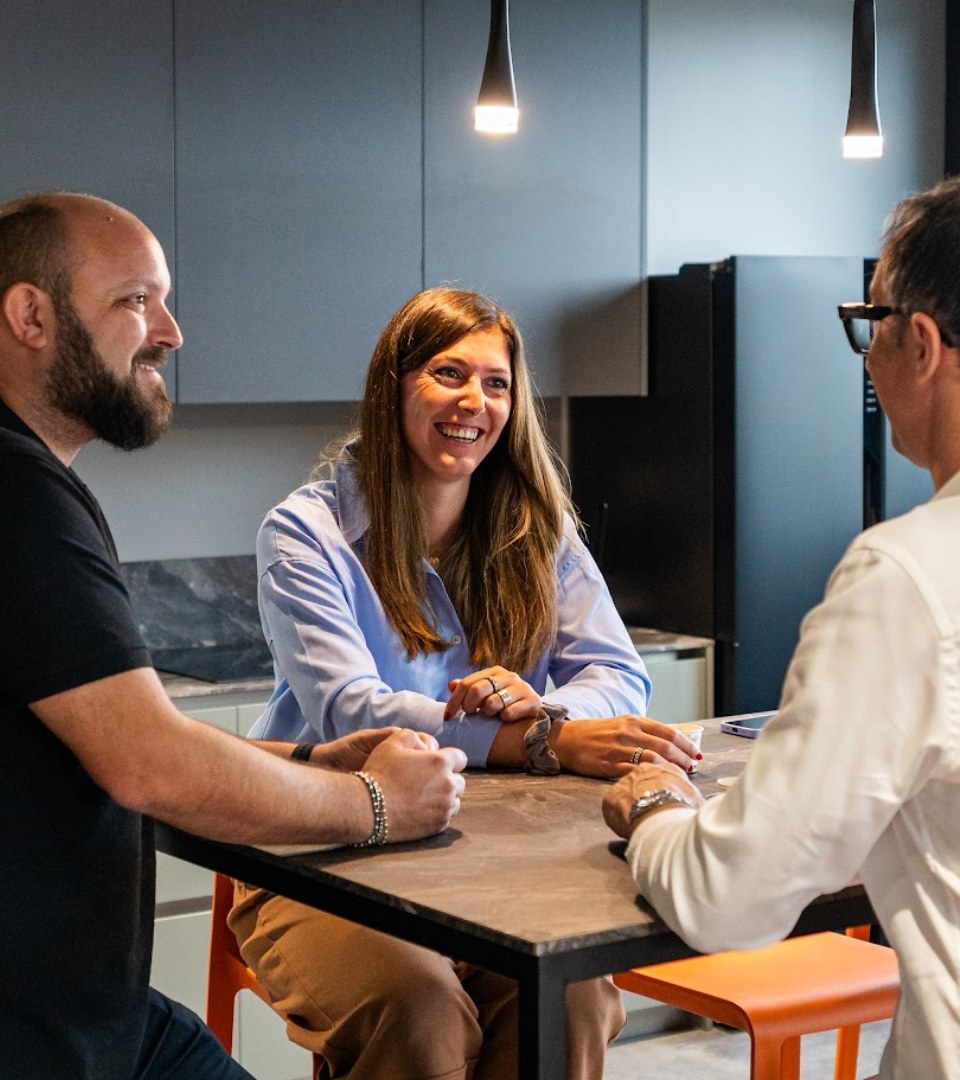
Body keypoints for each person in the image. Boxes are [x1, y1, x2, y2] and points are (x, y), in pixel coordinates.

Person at [0, 192, 467, 1079]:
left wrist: (305, 766)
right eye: (135, 300)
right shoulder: (17, 495)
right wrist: (379, 805)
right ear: (31, 315)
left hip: (95, 1013)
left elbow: (114, 732)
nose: (170, 331)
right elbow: (148, 762)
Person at [232, 286, 701, 1079]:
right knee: (417, 1009)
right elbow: (353, 710)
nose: (473, 402)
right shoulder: (305, 533)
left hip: (487, 859)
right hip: (321, 851)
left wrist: (540, 707)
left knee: (572, 999)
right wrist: (542, 741)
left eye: (496, 383)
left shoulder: (537, 528)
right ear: (394, 387)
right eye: (448, 374)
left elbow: (619, 674)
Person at [602, 176, 960, 1080]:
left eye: (868, 321)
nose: (866, 355)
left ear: (919, 343)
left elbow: (728, 897)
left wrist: (652, 809)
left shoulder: (905, 575)